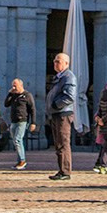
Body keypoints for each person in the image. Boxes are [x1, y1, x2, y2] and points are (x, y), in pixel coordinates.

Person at [46, 51, 78, 181]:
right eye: (54, 61)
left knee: (63, 142)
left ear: (66, 63)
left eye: (58, 61)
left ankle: (65, 171)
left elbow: (70, 96)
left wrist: (55, 105)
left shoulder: (69, 77)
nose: (55, 63)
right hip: (56, 114)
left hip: (63, 114)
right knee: (58, 143)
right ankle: (61, 170)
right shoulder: (59, 76)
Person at [4, 78, 36, 169]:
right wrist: (10, 93)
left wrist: (33, 122)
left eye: (16, 85)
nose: (14, 87)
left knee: (18, 139)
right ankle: (19, 161)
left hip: (22, 120)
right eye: (13, 85)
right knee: (15, 141)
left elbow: (32, 109)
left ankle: (22, 160)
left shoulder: (27, 95)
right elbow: (6, 104)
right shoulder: (13, 95)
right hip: (13, 121)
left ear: (21, 85)